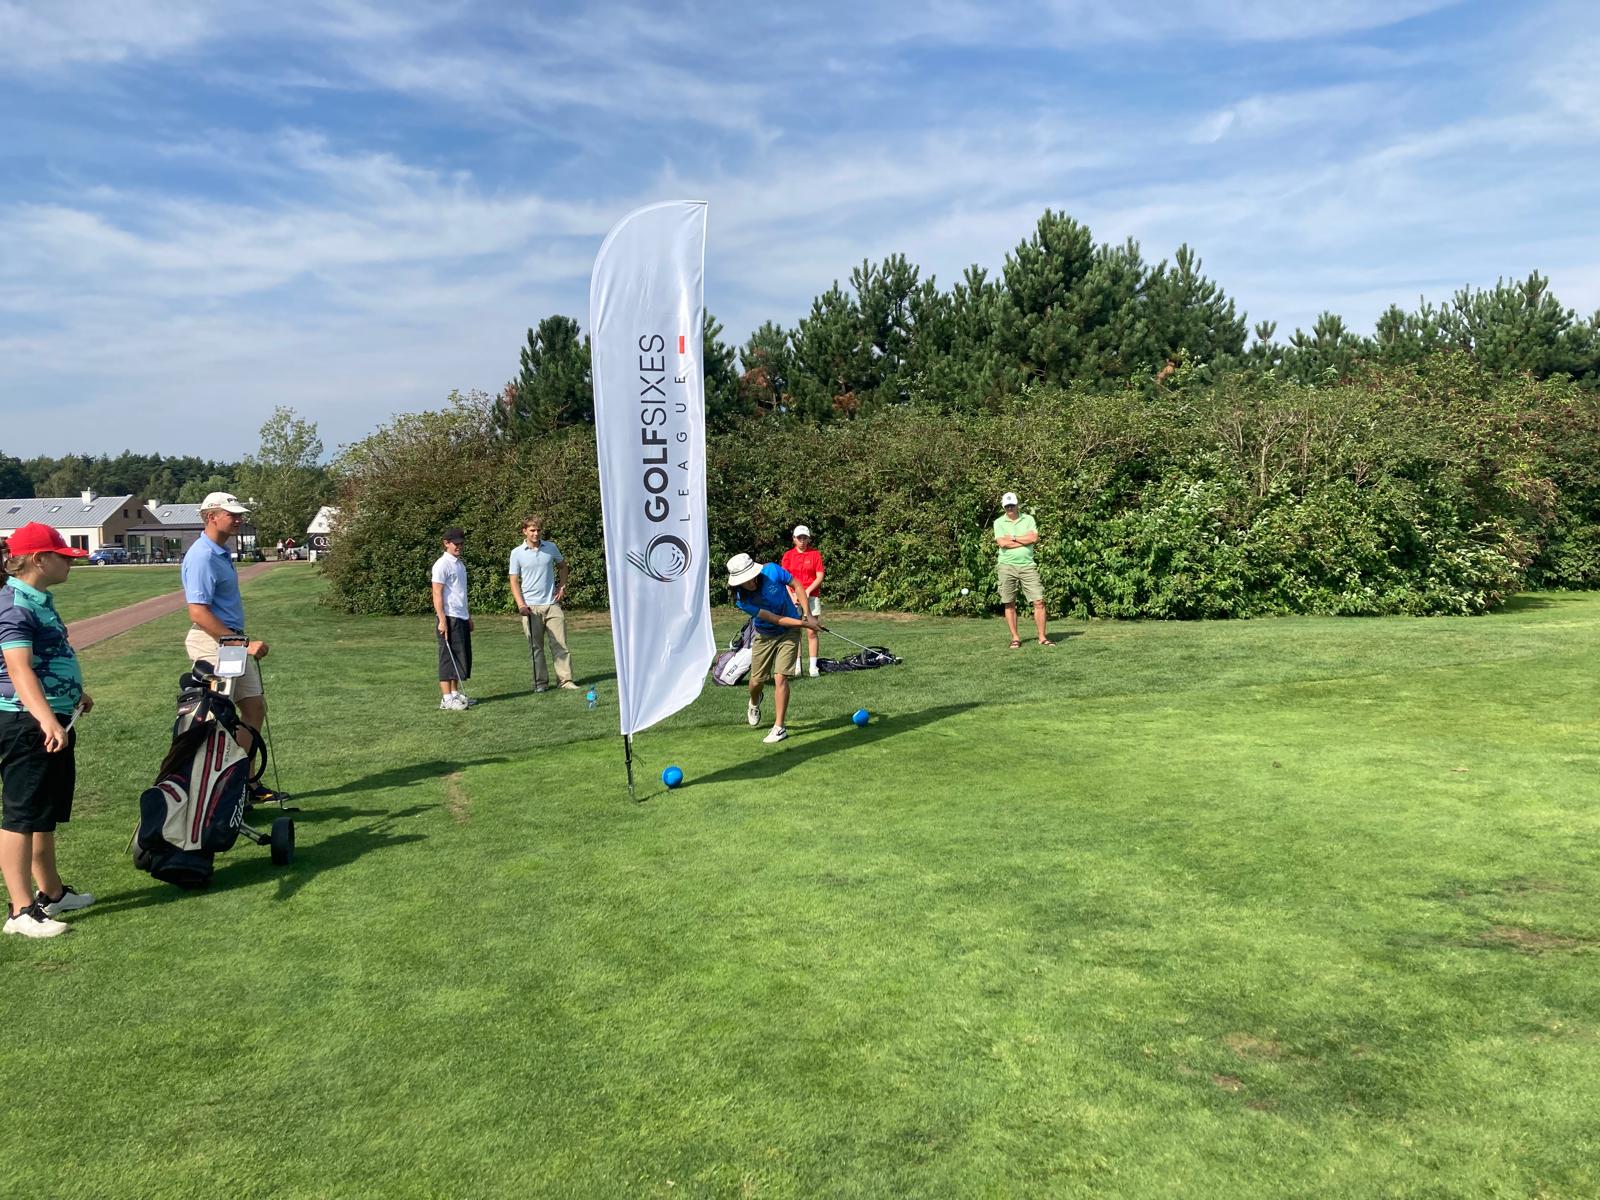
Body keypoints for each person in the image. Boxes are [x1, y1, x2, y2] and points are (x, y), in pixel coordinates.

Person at [1, 523, 94, 937]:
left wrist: (74, 693)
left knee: (42, 811)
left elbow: (49, 656)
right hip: (27, 722)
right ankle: (20, 911)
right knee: (21, 814)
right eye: (63, 556)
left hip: (52, 715)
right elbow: (18, 668)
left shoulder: (38, 599)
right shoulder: (15, 604)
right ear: (39, 559)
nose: (70, 563)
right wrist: (45, 718)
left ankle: (51, 893)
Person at [182, 493, 287, 802]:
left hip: (230, 642)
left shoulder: (221, 551)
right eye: (232, 514)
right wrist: (243, 643)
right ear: (211, 517)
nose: (239, 519)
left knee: (254, 708)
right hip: (214, 642)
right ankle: (223, 790)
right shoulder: (202, 556)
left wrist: (238, 642)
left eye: (240, 514)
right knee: (220, 719)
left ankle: (245, 784)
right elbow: (198, 613)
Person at [726, 552, 819, 744]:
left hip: (790, 632)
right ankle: (755, 701)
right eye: (745, 581)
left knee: (780, 677)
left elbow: (797, 585)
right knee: (756, 681)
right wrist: (804, 624)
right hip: (765, 634)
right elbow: (775, 619)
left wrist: (808, 615)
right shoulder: (741, 600)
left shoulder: (772, 571)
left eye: (751, 577)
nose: (750, 583)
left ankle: (779, 727)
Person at [507, 516, 575, 693]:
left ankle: (565, 681)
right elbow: (513, 581)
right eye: (532, 530)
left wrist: (562, 586)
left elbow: (563, 567)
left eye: (538, 530)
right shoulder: (517, 553)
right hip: (530, 607)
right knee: (536, 648)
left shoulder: (551, 547)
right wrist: (521, 605)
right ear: (524, 531)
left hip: (552, 605)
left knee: (561, 645)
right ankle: (540, 683)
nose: (536, 534)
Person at [994, 491, 1053, 648]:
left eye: (1012, 505)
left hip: (1027, 565)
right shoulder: (998, 522)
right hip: (1006, 566)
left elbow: (1033, 538)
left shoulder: (1028, 519)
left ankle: (1042, 637)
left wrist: (1013, 538)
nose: (1010, 508)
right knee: (1009, 603)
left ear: (1017, 505)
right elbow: (1002, 543)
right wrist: (1023, 540)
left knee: (1039, 601)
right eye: (1007, 506)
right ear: (1003, 507)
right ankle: (1015, 638)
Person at [432, 527, 474, 710]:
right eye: (455, 543)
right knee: (447, 657)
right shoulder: (442, 564)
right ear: (446, 543)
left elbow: (460, 593)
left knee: (459, 656)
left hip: (460, 615)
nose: (459, 546)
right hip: (448, 617)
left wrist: (468, 616)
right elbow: (437, 593)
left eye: (461, 543)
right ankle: (446, 698)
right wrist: (442, 620)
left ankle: (455, 694)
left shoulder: (459, 564)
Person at [780, 524, 825, 676]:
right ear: (794, 539)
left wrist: (807, 591)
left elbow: (819, 576)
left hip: (811, 596)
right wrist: (793, 595)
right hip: (793, 598)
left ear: (808, 539)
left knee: (812, 631)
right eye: (799, 538)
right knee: (795, 632)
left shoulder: (815, 554)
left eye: (805, 538)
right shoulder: (788, 555)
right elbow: (784, 578)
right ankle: (797, 666)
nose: (802, 541)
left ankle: (813, 667)